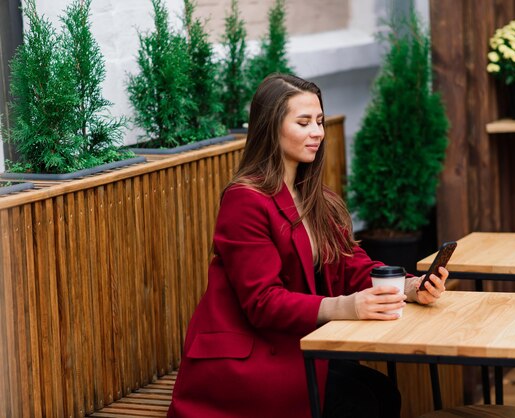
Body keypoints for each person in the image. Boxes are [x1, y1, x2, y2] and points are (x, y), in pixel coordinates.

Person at [167, 74, 449, 418]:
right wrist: (346, 306)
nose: (317, 131)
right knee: (361, 404)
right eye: (303, 122)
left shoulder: (315, 197)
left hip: (297, 346)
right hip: (250, 359)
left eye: (319, 121)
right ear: (271, 127)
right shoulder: (244, 200)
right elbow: (262, 302)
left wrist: (408, 287)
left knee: (382, 392)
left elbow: (351, 264)